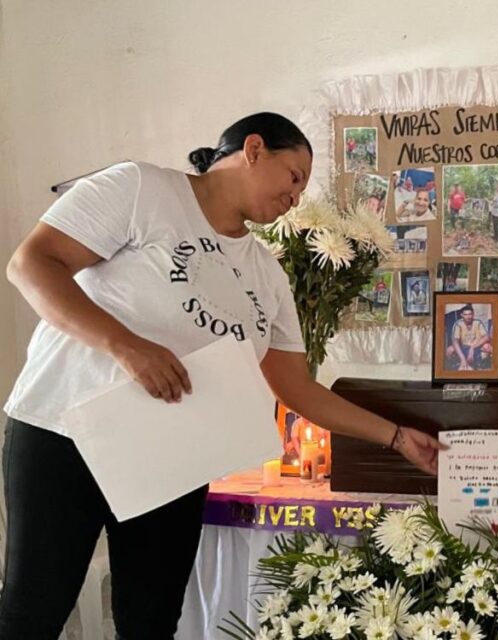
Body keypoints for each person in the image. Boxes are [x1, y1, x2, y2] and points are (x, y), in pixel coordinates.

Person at [0, 113, 445, 639]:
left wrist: (396, 438)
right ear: (254, 149)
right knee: (34, 611)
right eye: (294, 176)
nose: (296, 198)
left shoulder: (266, 270)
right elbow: (32, 264)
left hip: (175, 459)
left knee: (152, 621)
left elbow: (296, 388)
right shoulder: (142, 187)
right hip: (67, 433)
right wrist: (127, 346)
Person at [446, 305, 493, 371]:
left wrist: (472, 347)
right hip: (463, 348)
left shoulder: (478, 322)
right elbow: (455, 341)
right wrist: (462, 358)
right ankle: (462, 363)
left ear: (473, 315)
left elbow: (487, 337)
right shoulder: (458, 324)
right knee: (450, 349)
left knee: (487, 346)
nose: (468, 317)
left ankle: (482, 365)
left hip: (475, 347)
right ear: (461, 315)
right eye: (465, 314)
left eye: (470, 314)